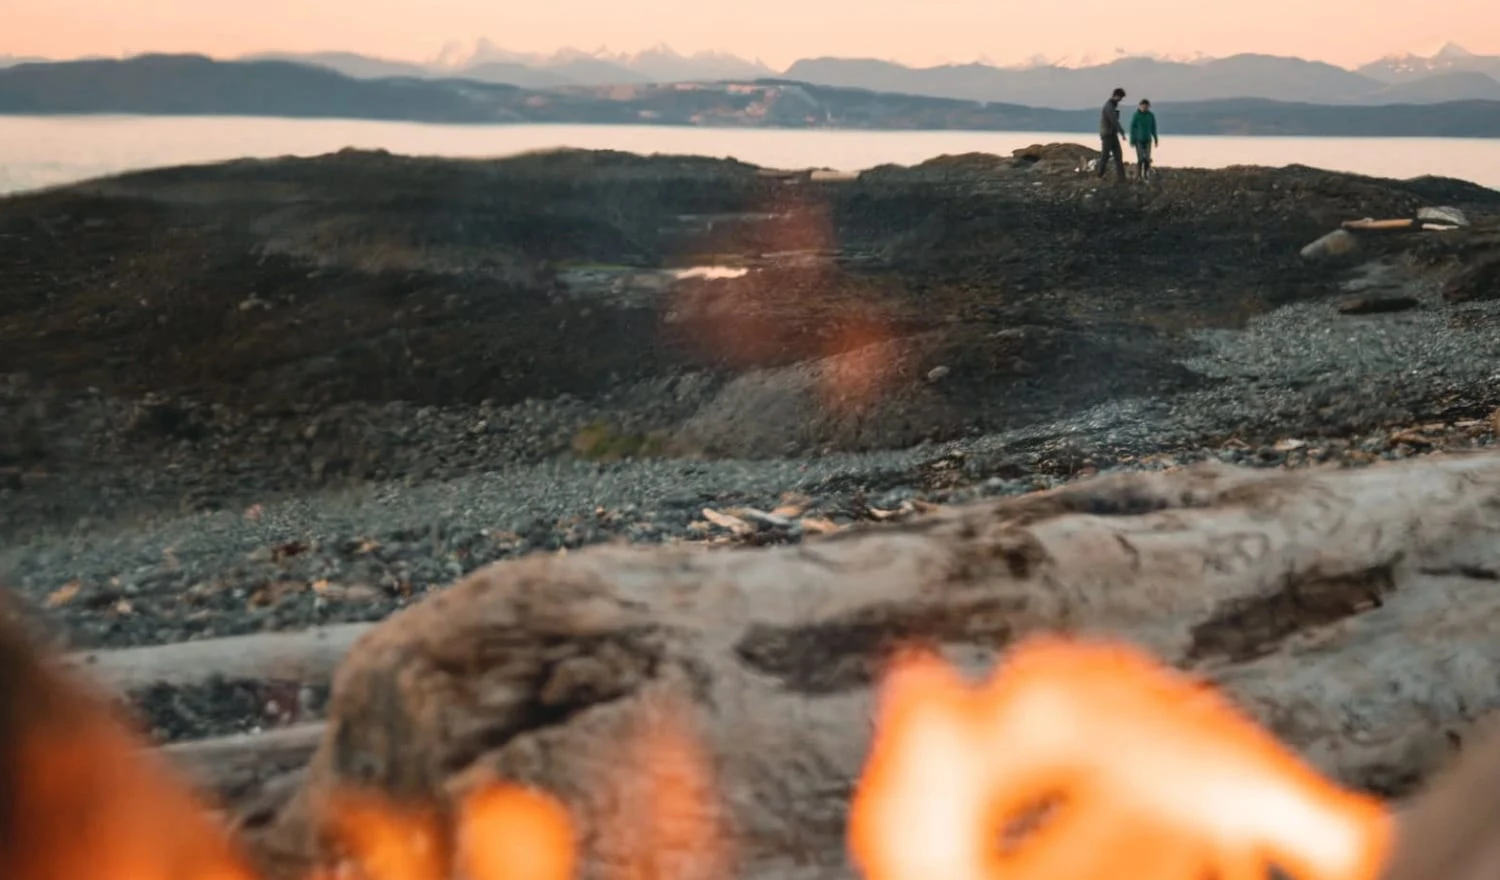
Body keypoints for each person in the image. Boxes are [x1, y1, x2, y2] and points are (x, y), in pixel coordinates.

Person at [1097, 87, 1127, 182]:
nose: (1120, 100)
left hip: (1112, 134)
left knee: (1118, 155)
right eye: (1120, 97)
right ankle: (1100, 174)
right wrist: (1122, 132)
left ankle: (1121, 178)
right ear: (1115, 96)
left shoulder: (1112, 106)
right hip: (1107, 134)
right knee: (1106, 155)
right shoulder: (1109, 107)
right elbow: (1113, 121)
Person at [1130, 99, 1160, 181]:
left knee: (1147, 158)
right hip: (1138, 140)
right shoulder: (1136, 115)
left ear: (1148, 107)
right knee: (1140, 158)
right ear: (1140, 106)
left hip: (1148, 140)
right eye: (1143, 106)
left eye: (1146, 107)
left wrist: (1156, 139)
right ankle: (1138, 175)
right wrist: (1132, 140)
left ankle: (1146, 175)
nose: (1144, 108)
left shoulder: (1150, 116)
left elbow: (1153, 128)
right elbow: (1132, 128)